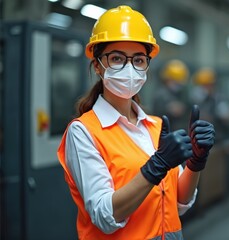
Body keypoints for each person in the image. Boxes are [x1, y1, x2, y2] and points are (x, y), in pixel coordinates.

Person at [57, 5, 215, 240]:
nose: (129, 68)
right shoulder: (84, 132)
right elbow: (104, 216)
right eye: (117, 58)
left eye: (139, 60)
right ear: (98, 65)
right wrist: (157, 165)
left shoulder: (155, 126)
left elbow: (179, 201)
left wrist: (196, 162)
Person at [153, 59, 190, 131]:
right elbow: (155, 115)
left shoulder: (182, 94)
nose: (178, 83)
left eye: (179, 81)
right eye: (175, 80)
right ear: (166, 79)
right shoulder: (160, 95)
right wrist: (168, 110)